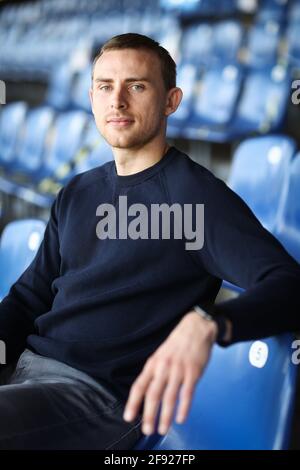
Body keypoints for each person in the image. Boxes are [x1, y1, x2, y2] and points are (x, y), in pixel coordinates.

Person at [0, 33, 299, 450]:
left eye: (136, 86)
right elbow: (30, 297)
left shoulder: (196, 197)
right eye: (105, 87)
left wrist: (210, 323)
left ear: (171, 101)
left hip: (99, 402)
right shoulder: (77, 192)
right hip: (26, 375)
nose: (117, 101)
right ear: (91, 97)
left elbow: (289, 284)